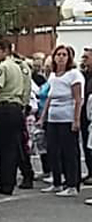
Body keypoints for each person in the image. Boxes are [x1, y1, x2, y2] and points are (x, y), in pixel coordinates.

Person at [39, 45, 83, 197]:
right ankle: (56, 182)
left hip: (67, 116)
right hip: (53, 117)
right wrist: (43, 117)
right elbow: (50, 97)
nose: (61, 57)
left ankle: (72, 184)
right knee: (53, 150)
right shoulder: (53, 75)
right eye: (58, 54)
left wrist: (76, 120)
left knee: (69, 152)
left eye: (64, 55)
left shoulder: (74, 75)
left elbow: (78, 99)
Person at [0, 39, 25, 196]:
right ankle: (7, 185)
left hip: (3, 109)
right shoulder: (18, 66)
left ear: (6, 51)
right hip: (16, 108)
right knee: (10, 149)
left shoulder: (1, 68)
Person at [13, 53, 35, 189]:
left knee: (19, 145)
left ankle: (27, 173)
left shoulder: (21, 67)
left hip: (18, 108)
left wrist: (23, 106)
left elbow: (26, 89)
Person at [78, 47, 92, 185]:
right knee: (87, 145)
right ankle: (90, 171)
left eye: (86, 58)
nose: (84, 61)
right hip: (84, 115)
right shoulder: (83, 75)